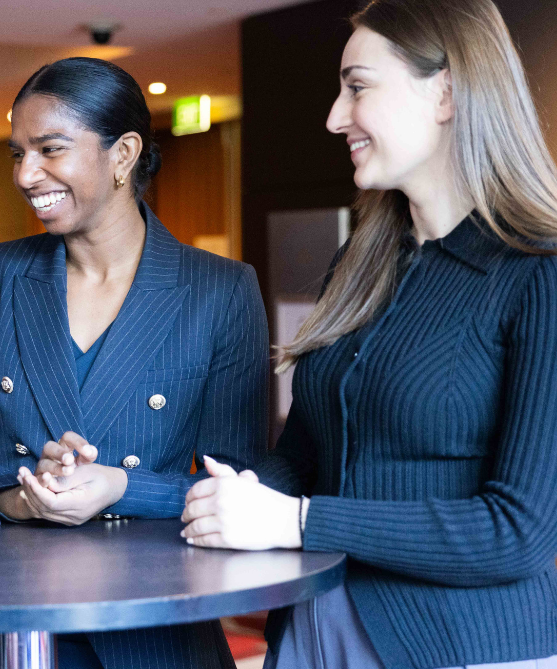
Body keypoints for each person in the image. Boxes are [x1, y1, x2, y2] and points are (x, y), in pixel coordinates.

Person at [180, 1, 557, 667]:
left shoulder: (539, 273)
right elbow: (304, 454)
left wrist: (295, 521)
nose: (333, 116)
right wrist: (220, 493)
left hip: (459, 647)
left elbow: (517, 532)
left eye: (358, 86)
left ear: (445, 91)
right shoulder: (357, 265)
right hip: (314, 628)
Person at [0, 57, 269, 669]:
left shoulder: (219, 289)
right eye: (16, 153)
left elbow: (239, 487)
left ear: (123, 154)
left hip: (152, 625)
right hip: (15, 622)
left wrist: (121, 488)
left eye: (50, 149)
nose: (27, 174)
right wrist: (21, 496)